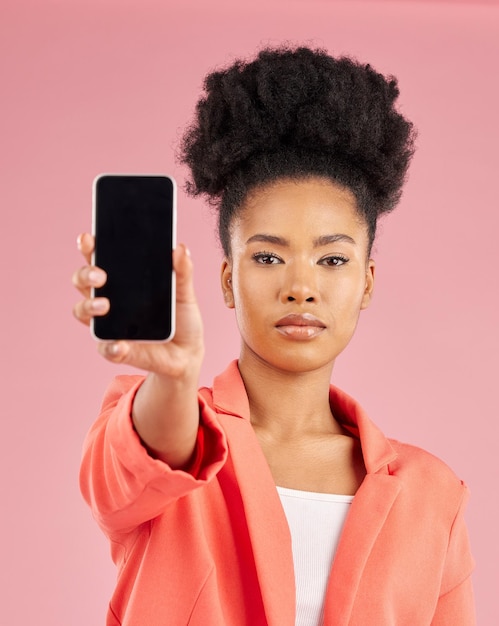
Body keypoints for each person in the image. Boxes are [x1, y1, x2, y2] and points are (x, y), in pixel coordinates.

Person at [73, 47, 475, 625]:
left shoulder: (434, 496)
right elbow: (149, 454)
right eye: (267, 256)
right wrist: (174, 379)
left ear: (366, 281)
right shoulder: (168, 431)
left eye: (332, 261)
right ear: (229, 279)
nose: (301, 288)